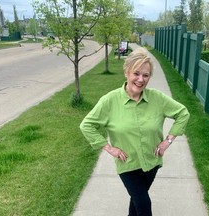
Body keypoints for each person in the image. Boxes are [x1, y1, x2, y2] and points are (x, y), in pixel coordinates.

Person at [80, 47, 190, 216]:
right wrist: (109, 148)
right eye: (136, 73)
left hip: (151, 161)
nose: (140, 79)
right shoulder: (110, 100)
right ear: (126, 72)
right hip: (128, 163)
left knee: (137, 201)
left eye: (145, 75)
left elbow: (183, 113)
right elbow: (87, 125)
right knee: (143, 203)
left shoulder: (157, 98)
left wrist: (168, 141)